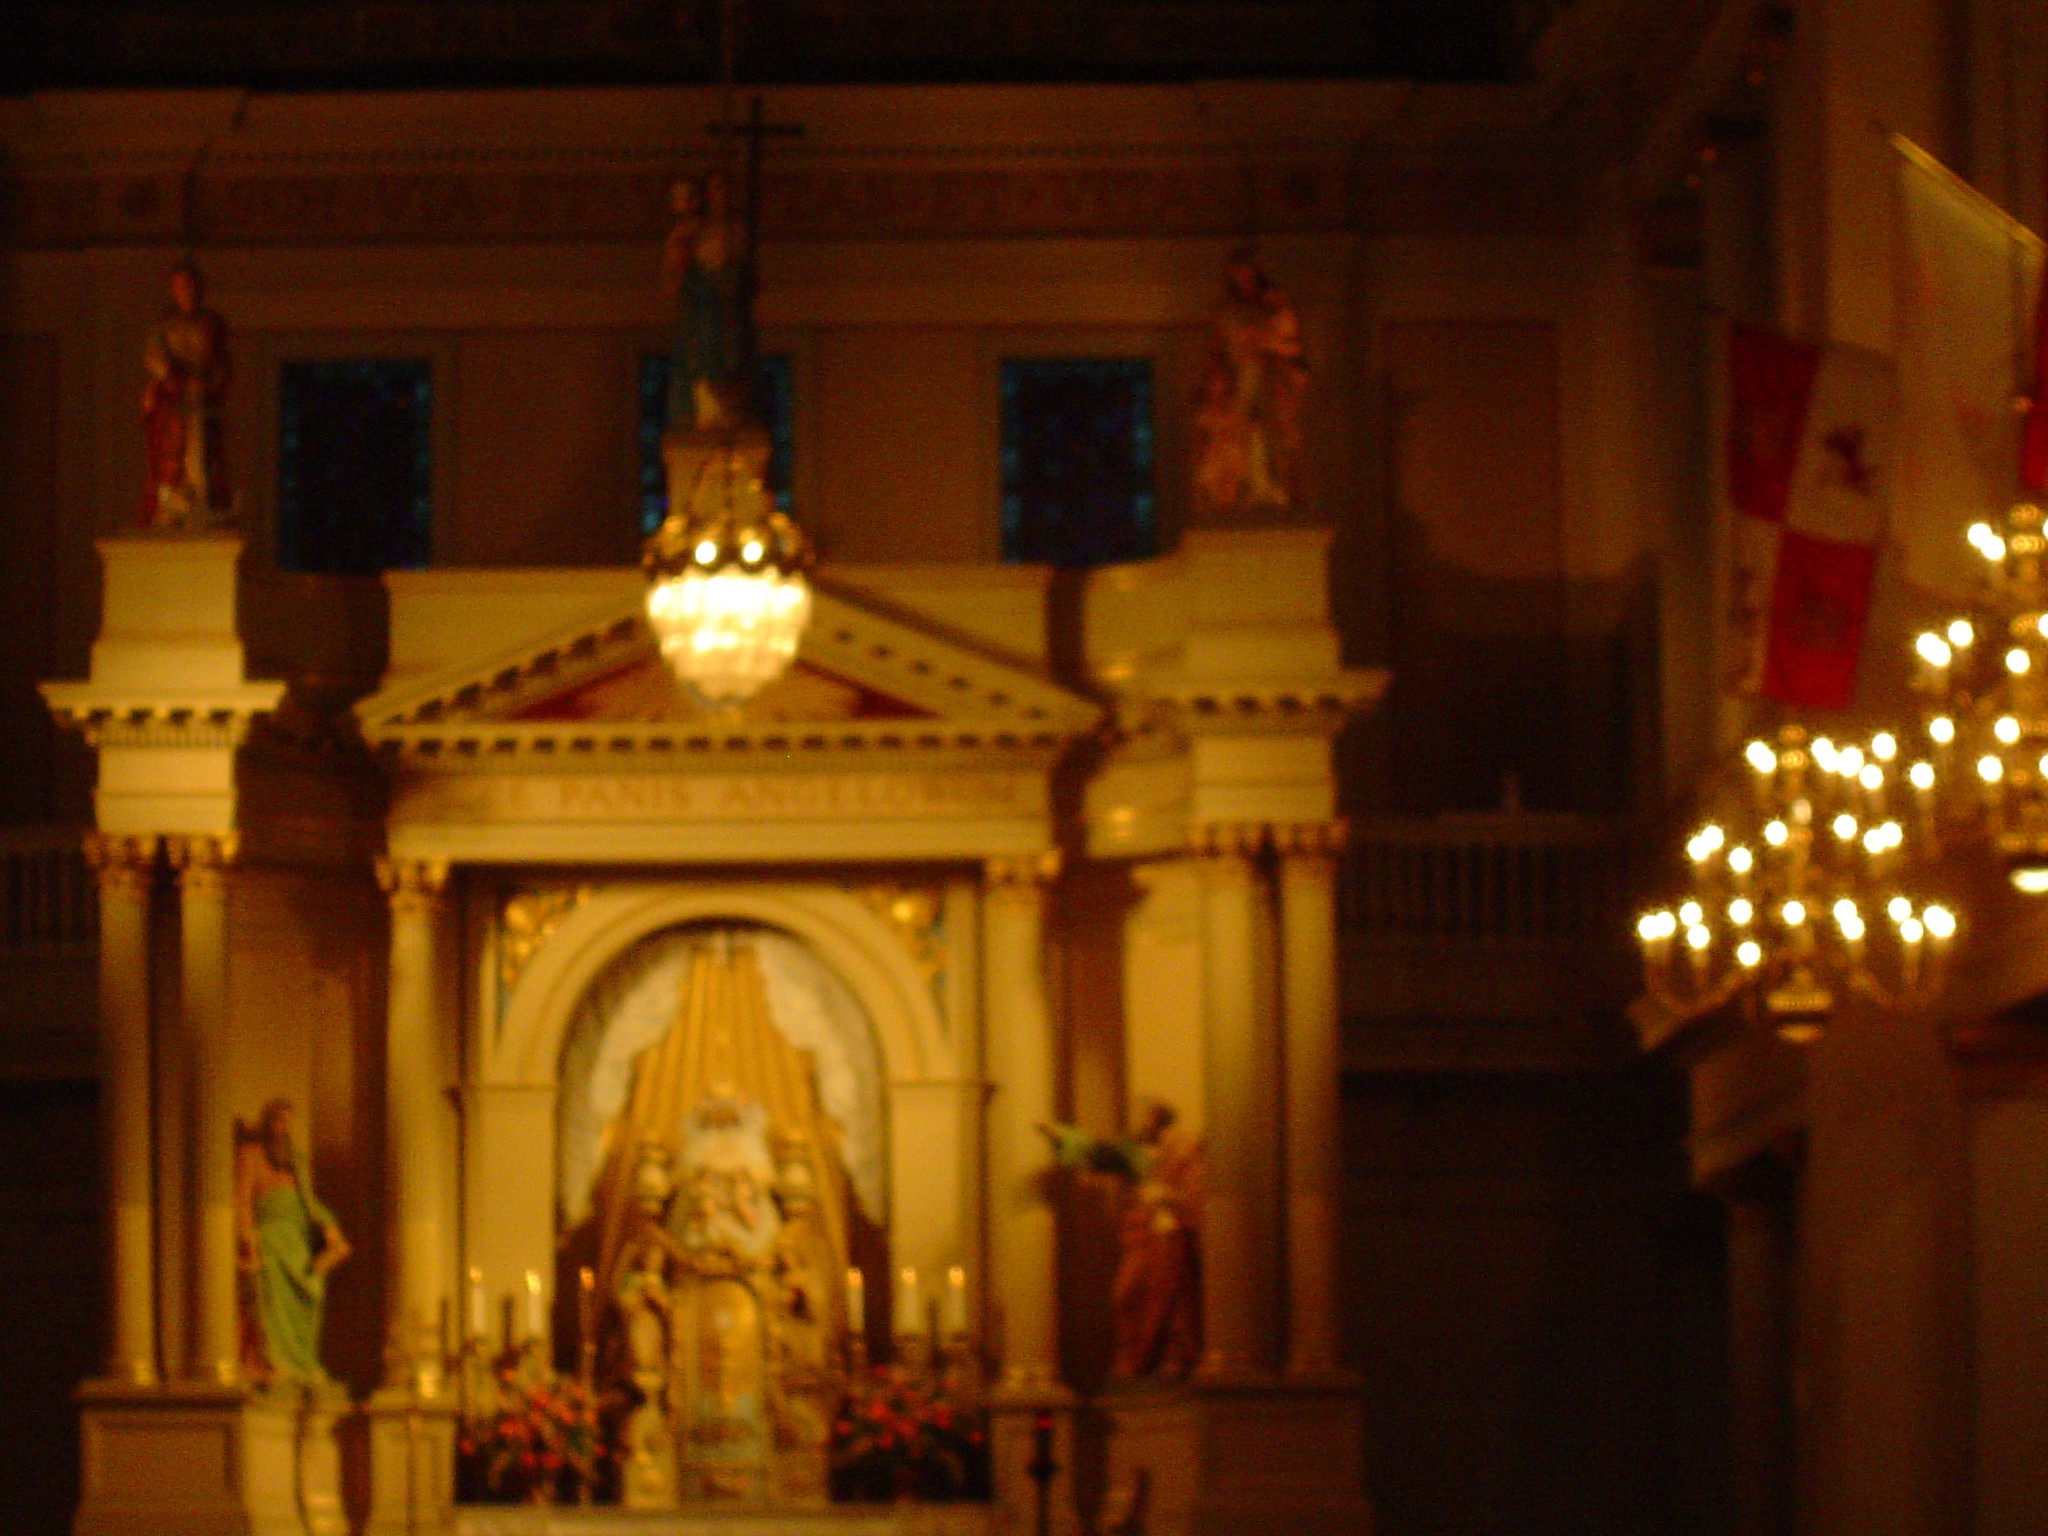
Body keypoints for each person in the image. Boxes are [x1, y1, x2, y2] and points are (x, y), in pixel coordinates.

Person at [1041, 1100, 1204, 1381]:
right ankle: (1136, 1362)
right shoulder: (1135, 1151)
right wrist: (1061, 1136)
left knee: (1166, 1300)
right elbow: (1099, 1153)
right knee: (1125, 1296)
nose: (1134, 1120)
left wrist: (1166, 1197)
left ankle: (1168, 1360)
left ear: (1156, 1118)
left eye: (1141, 1114)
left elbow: (1195, 1195)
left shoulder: (1183, 1149)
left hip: (1166, 1236)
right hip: (1141, 1237)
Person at [235, 1099, 350, 1384]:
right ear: (267, 1123)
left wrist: (330, 1227)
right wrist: (247, 1234)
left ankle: (302, 1360)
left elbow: (308, 1202)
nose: (281, 1127)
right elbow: (243, 1199)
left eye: (286, 1121)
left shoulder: (296, 1160)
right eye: (276, 1120)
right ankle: (276, 1361)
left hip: (297, 1241)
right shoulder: (251, 1155)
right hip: (270, 1240)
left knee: (313, 1291)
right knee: (272, 1301)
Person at [1191, 246, 1308, 520]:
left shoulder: (1274, 307)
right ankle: (1240, 495)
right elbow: (1216, 353)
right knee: (1234, 437)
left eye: (1246, 274)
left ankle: (1273, 491)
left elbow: (1294, 351)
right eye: (1237, 275)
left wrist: (1265, 343)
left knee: (1270, 436)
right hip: (1237, 384)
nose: (1242, 280)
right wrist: (1218, 382)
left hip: (1269, 382)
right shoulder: (1225, 313)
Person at [141, 260, 232, 529]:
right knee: (170, 452)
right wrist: (173, 379)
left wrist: (207, 383)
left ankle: (204, 504)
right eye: (180, 286)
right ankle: (169, 504)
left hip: (203, 400)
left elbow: (221, 363)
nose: (186, 291)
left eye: (191, 285)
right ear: (173, 290)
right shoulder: (164, 324)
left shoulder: (212, 324)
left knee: (205, 454)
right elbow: (154, 357)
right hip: (173, 400)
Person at [661, 170, 751, 439]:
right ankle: (705, 413)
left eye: (724, 189)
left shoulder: (735, 230)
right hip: (701, 312)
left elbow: (741, 272)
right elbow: (673, 279)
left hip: (725, 312)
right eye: (714, 189)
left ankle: (727, 413)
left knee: (728, 358)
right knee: (701, 359)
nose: (719, 195)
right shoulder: (691, 232)